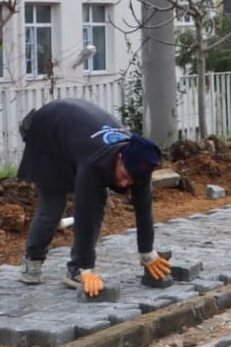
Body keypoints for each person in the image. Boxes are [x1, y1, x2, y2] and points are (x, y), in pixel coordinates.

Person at [15, 98, 171, 297]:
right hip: (47, 132)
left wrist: (147, 252)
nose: (124, 184)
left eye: (131, 181)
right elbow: (86, 213)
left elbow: (144, 208)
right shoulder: (94, 164)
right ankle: (33, 262)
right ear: (119, 157)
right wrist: (86, 267)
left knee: (97, 195)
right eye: (124, 176)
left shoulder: (140, 162)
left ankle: (74, 269)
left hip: (76, 133)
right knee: (53, 205)